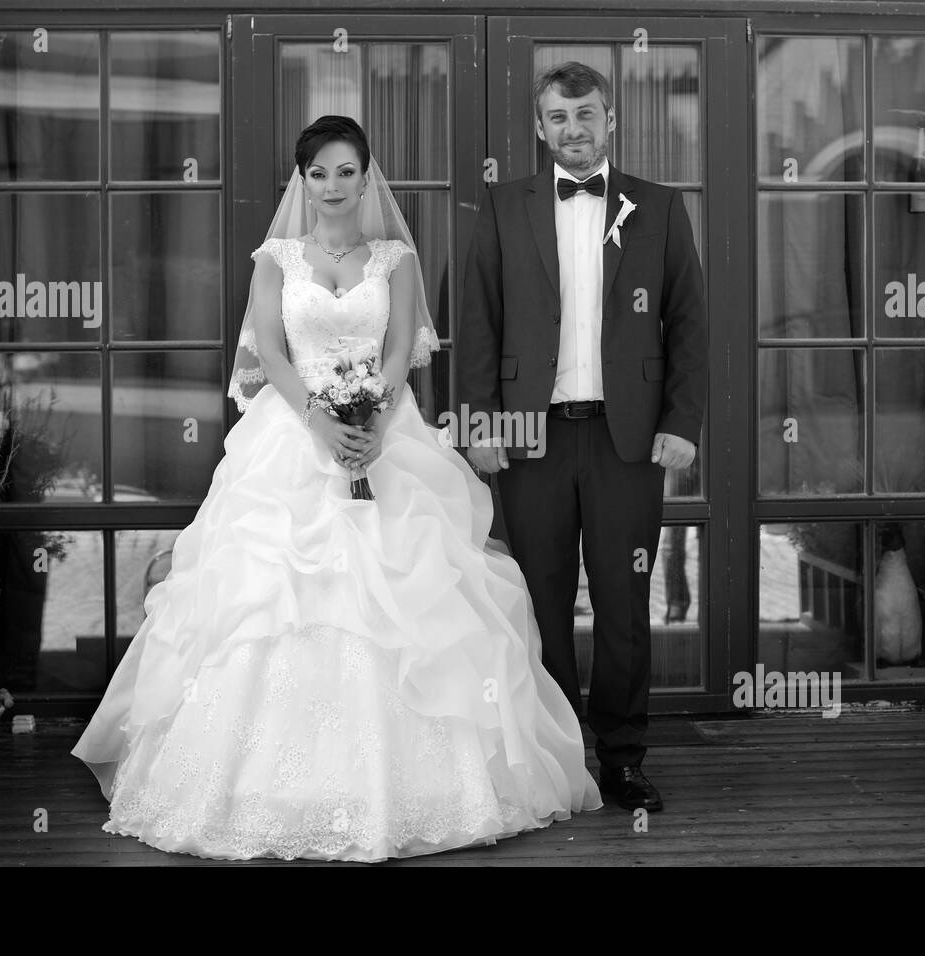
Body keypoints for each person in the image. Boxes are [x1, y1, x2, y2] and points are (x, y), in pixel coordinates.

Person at [72, 115, 601, 862]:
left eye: (346, 171)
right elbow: (271, 351)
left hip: (388, 436)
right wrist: (322, 422)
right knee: (270, 602)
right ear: (303, 180)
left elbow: (399, 352)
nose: (332, 186)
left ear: (364, 175)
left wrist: (375, 421)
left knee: (410, 594)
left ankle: (416, 791)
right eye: (318, 173)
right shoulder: (275, 258)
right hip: (292, 435)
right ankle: (258, 791)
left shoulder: (395, 259)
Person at [458, 63, 708, 812]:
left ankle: (624, 758)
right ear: (540, 128)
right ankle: (555, 758)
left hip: (625, 439)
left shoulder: (658, 208)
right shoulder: (504, 206)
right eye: (559, 117)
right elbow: (478, 321)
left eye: (587, 115)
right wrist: (479, 424)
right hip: (527, 438)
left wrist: (681, 422)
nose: (574, 129)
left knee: (625, 602)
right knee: (541, 600)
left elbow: (690, 323)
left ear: (611, 120)